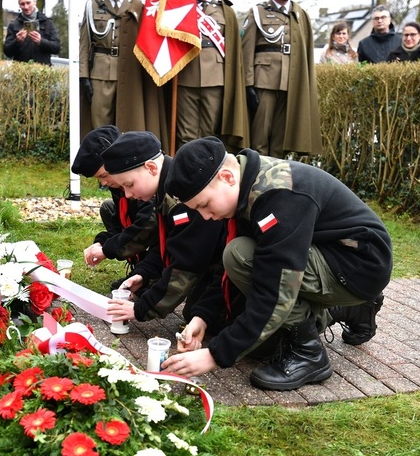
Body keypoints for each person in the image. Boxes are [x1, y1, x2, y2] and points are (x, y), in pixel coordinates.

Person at [162, 137, 392, 391]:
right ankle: (349, 308)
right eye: (197, 210)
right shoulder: (246, 184)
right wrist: (202, 317)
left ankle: (309, 354)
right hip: (335, 255)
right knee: (239, 262)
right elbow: (231, 274)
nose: (205, 216)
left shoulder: (278, 196)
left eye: (204, 205)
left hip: (360, 266)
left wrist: (215, 355)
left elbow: (275, 289)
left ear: (227, 177)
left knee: (241, 256)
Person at [101, 131, 229, 333]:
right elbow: (168, 245)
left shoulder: (181, 195)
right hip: (212, 258)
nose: (128, 195)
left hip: (234, 263)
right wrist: (144, 274)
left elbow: (187, 263)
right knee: (195, 312)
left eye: (130, 185)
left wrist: (141, 309)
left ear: (151, 168)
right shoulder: (164, 189)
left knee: (207, 318)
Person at [78, 0, 169, 151]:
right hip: (101, 72)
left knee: (129, 122)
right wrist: (84, 76)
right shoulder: (93, 5)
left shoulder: (137, 6)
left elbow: (148, 39)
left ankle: (124, 168)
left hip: (130, 72)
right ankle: (103, 173)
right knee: (101, 125)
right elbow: (84, 43)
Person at [241, 0, 321, 159]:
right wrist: (248, 84)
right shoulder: (258, 13)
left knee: (280, 140)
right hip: (264, 81)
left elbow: (305, 53)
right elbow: (246, 51)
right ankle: (256, 180)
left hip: (290, 84)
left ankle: (275, 181)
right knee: (259, 138)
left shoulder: (300, 15)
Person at [71, 125, 158, 289]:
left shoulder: (144, 181)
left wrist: (107, 251)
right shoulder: (117, 185)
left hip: (162, 232)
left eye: (104, 176)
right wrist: (102, 243)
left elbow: (147, 224)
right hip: (145, 224)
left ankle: (151, 273)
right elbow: (119, 220)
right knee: (108, 208)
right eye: (99, 179)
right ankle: (141, 269)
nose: (103, 183)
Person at [174, 0, 248, 153]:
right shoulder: (180, 7)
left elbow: (233, 49)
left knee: (211, 132)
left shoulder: (225, 11)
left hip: (216, 78)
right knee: (186, 134)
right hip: (185, 74)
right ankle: (186, 174)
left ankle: (209, 173)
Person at [3, 0, 60, 66]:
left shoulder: (47, 23)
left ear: (34, 2)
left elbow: (56, 48)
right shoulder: (13, 25)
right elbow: (7, 52)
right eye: (22, 4)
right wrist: (17, 41)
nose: (26, 7)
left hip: (43, 72)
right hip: (21, 72)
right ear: (19, 5)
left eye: (28, 3)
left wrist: (41, 41)